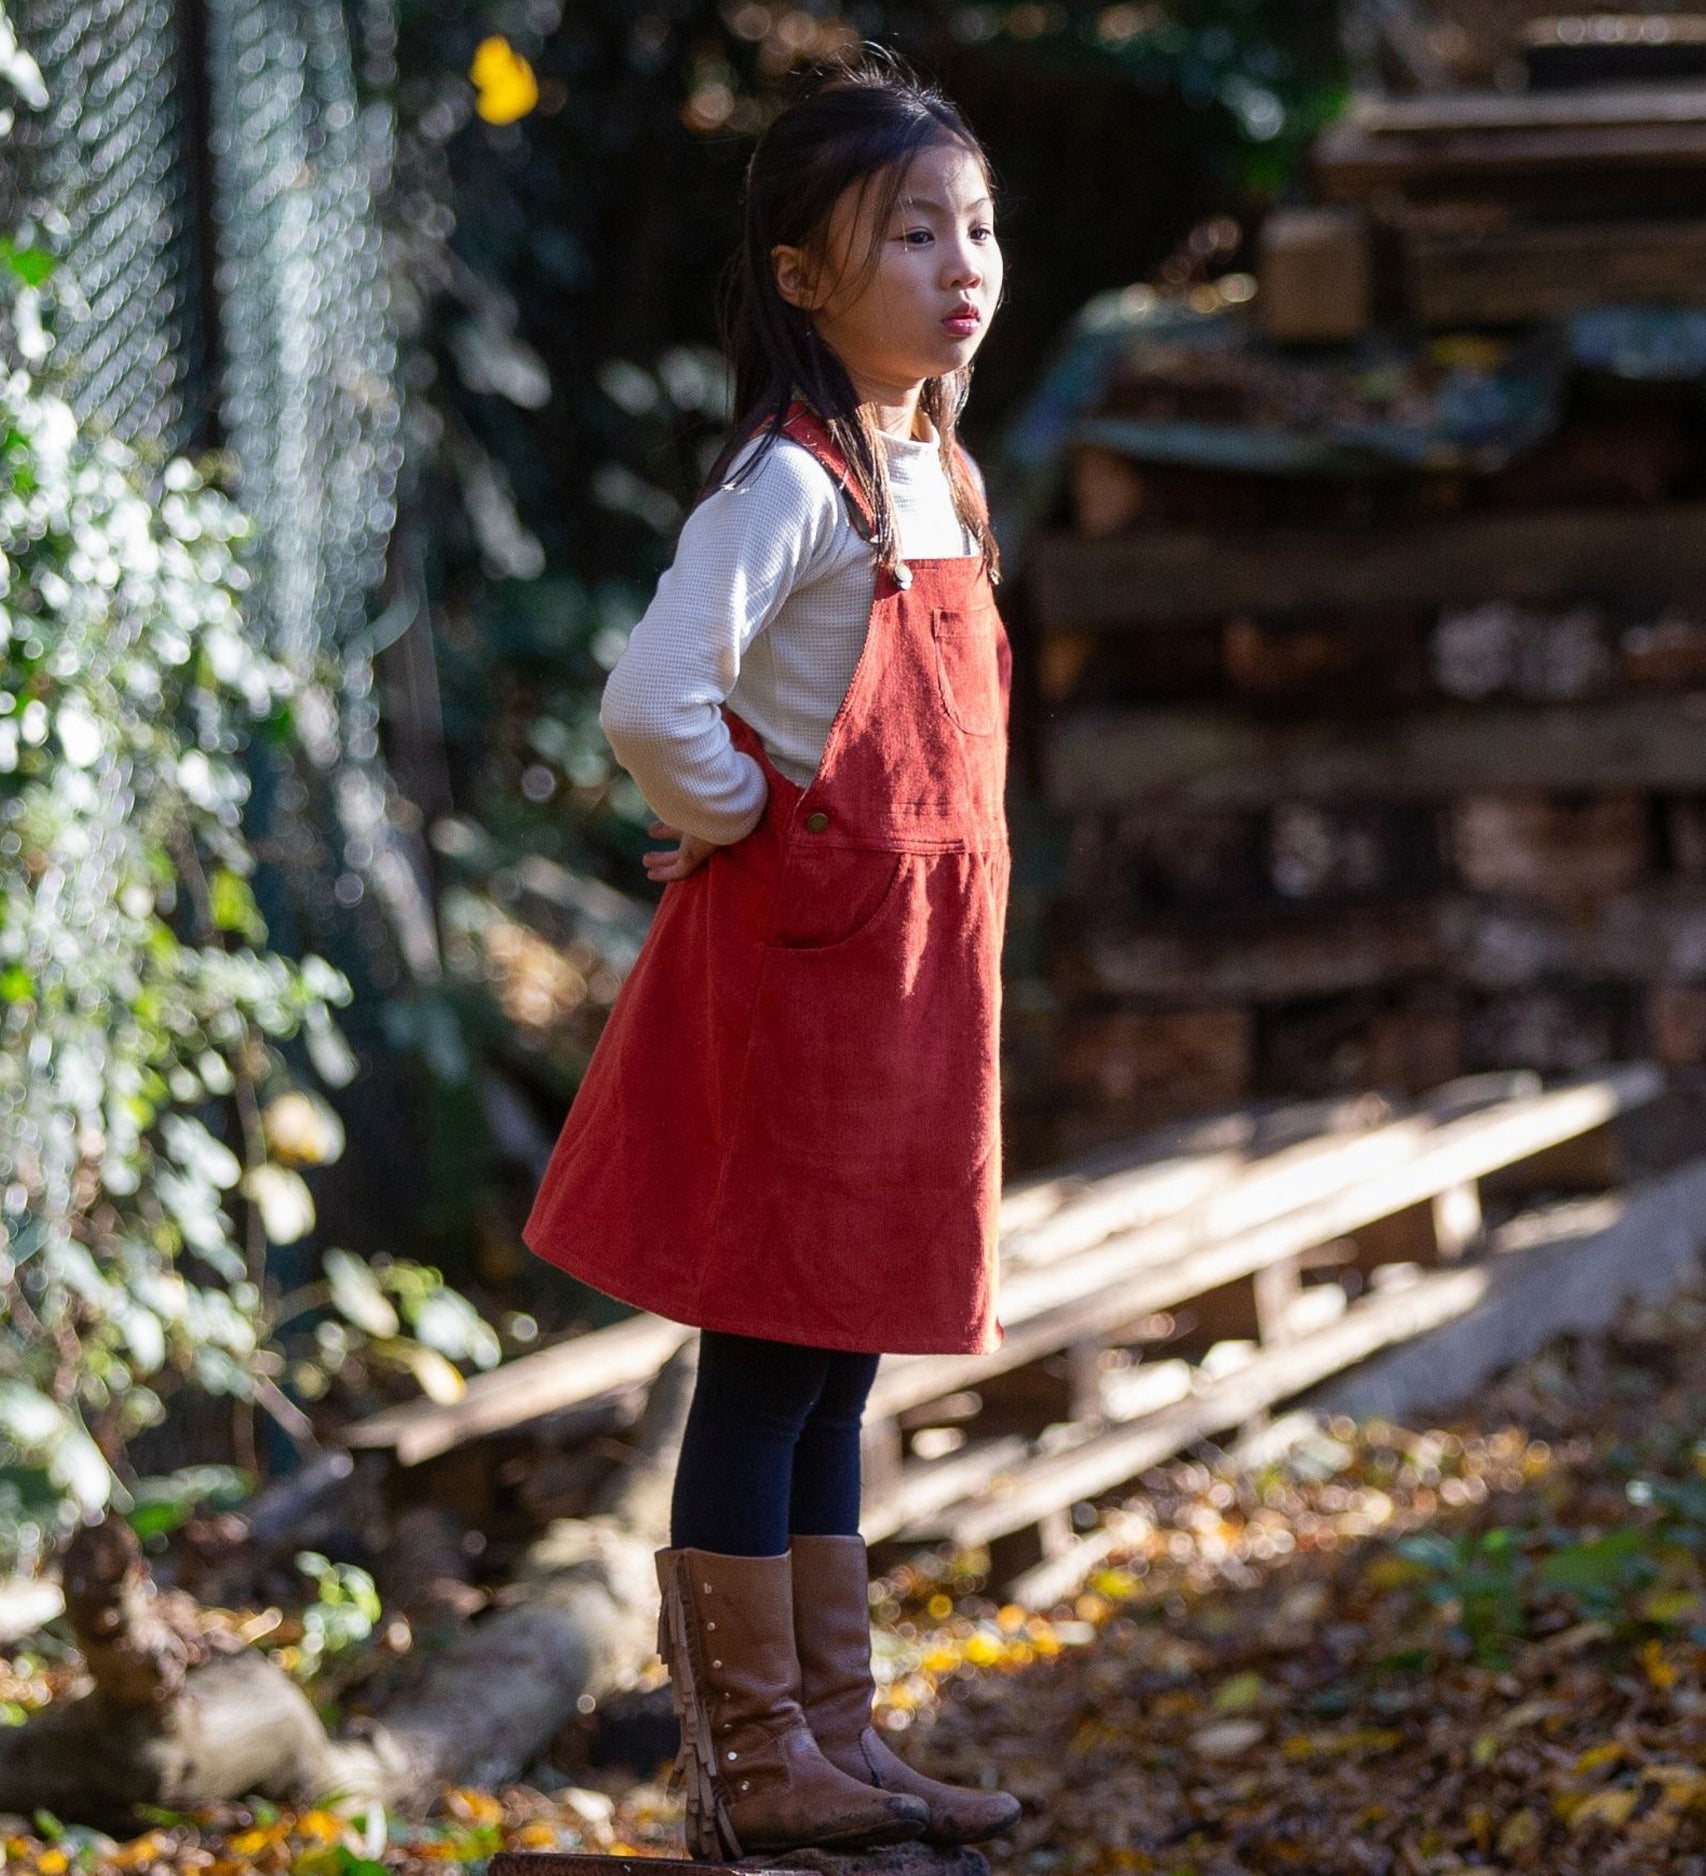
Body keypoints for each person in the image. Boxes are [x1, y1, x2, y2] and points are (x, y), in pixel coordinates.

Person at [524, 44, 1021, 1864]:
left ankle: (840, 1732)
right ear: (804, 278)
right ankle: (753, 1761)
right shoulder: (790, 481)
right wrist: (739, 810)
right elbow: (655, 694)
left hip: (907, 979)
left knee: (840, 1363)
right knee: (762, 1355)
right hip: (808, 976)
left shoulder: (940, 477)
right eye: (909, 234)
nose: (959, 264)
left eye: (975, 226)